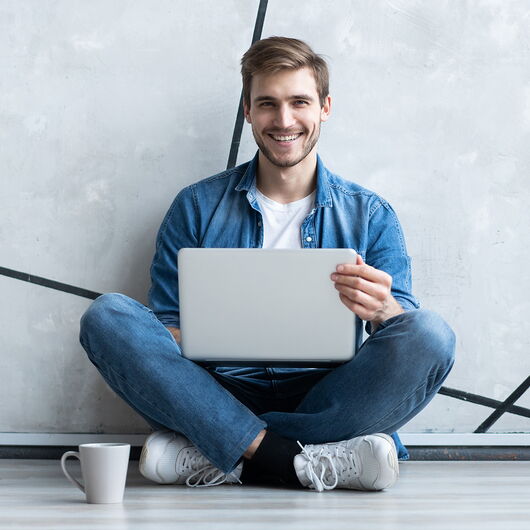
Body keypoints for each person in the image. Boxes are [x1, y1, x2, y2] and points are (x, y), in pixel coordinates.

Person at [79, 36, 455, 493]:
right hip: (217, 387)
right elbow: (166, 331)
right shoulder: (196, 206)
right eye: (267, 104)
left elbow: (401, 337)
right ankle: (308, 458)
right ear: (248, 111)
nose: (284, 120)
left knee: (430, 333)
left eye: (299, 102)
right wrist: (200, 330)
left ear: (325, 108)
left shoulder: (371, 213)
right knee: (107, 317)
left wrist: (384, 312)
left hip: (329, 393)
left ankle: (228, 447)